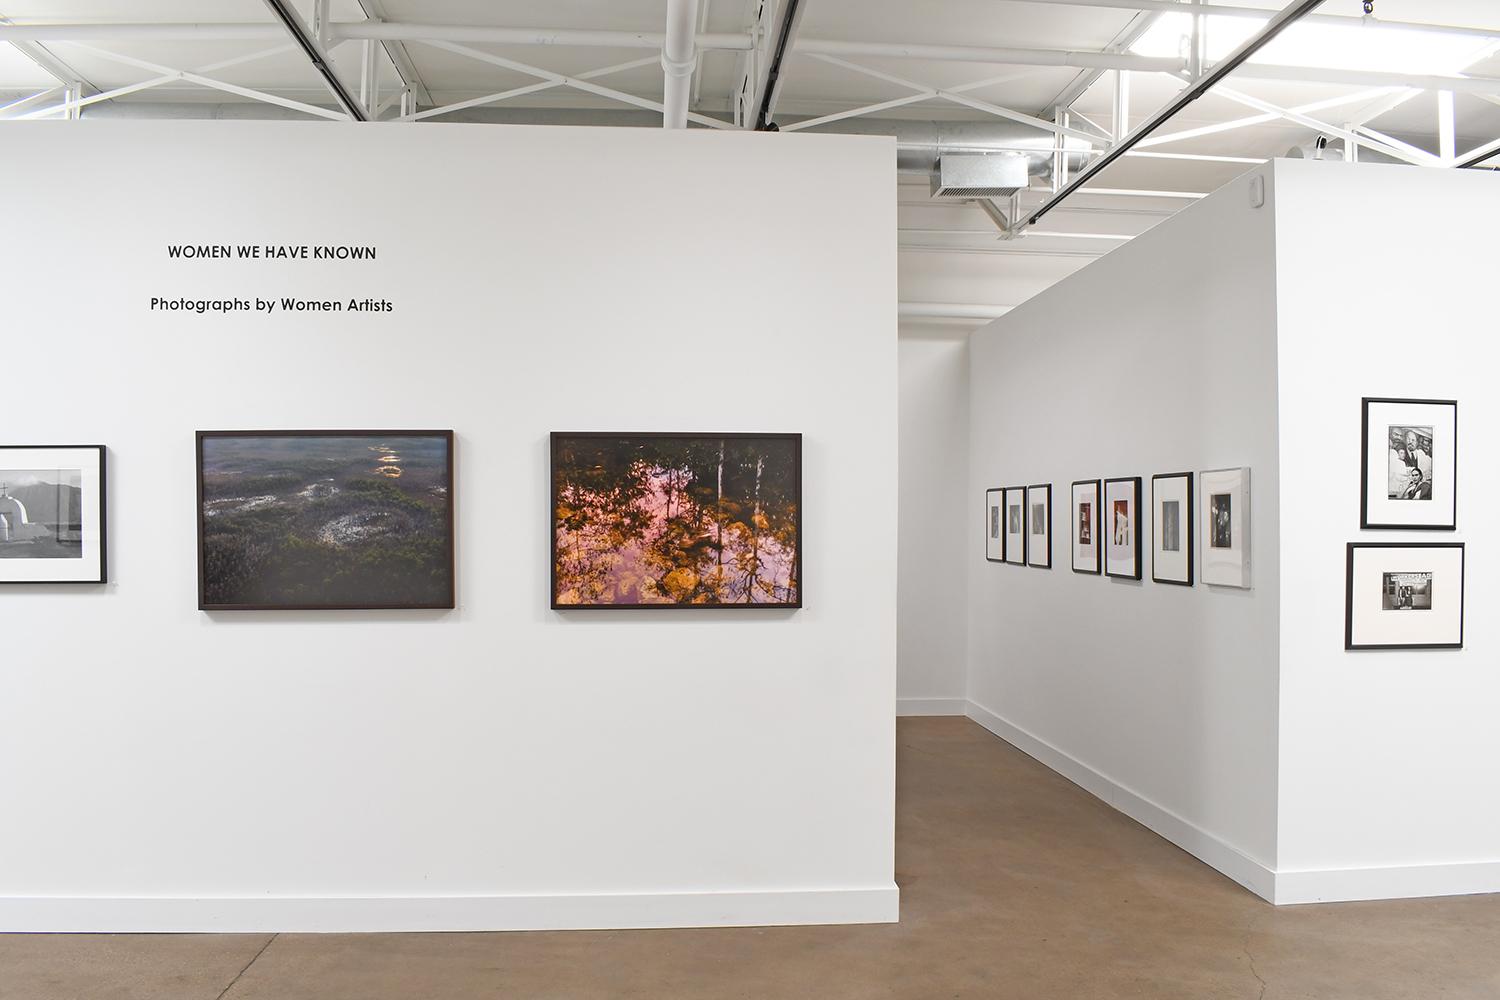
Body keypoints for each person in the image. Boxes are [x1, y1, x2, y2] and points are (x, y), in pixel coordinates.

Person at [1388, 429, 1433, 500]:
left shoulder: (1423, 456)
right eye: (1408, 439)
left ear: (1417, 442)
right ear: (1405, 441)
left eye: (1413, 440)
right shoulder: (1399, 454)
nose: (1410, 442)